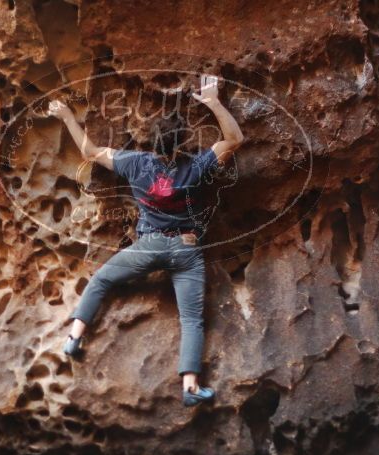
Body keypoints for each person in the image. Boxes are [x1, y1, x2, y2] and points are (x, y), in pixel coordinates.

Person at [47, 74, 244, 407]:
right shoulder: (195, 168)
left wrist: (67, 115)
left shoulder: (136, 164)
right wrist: (212, 101)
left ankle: (74, 338)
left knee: (101, 280)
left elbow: (89, 151)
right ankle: (191, 386)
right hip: (186, 248)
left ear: (152, 145)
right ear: (183, 143)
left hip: (149, 246)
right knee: (192, 319)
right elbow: (235, 139)